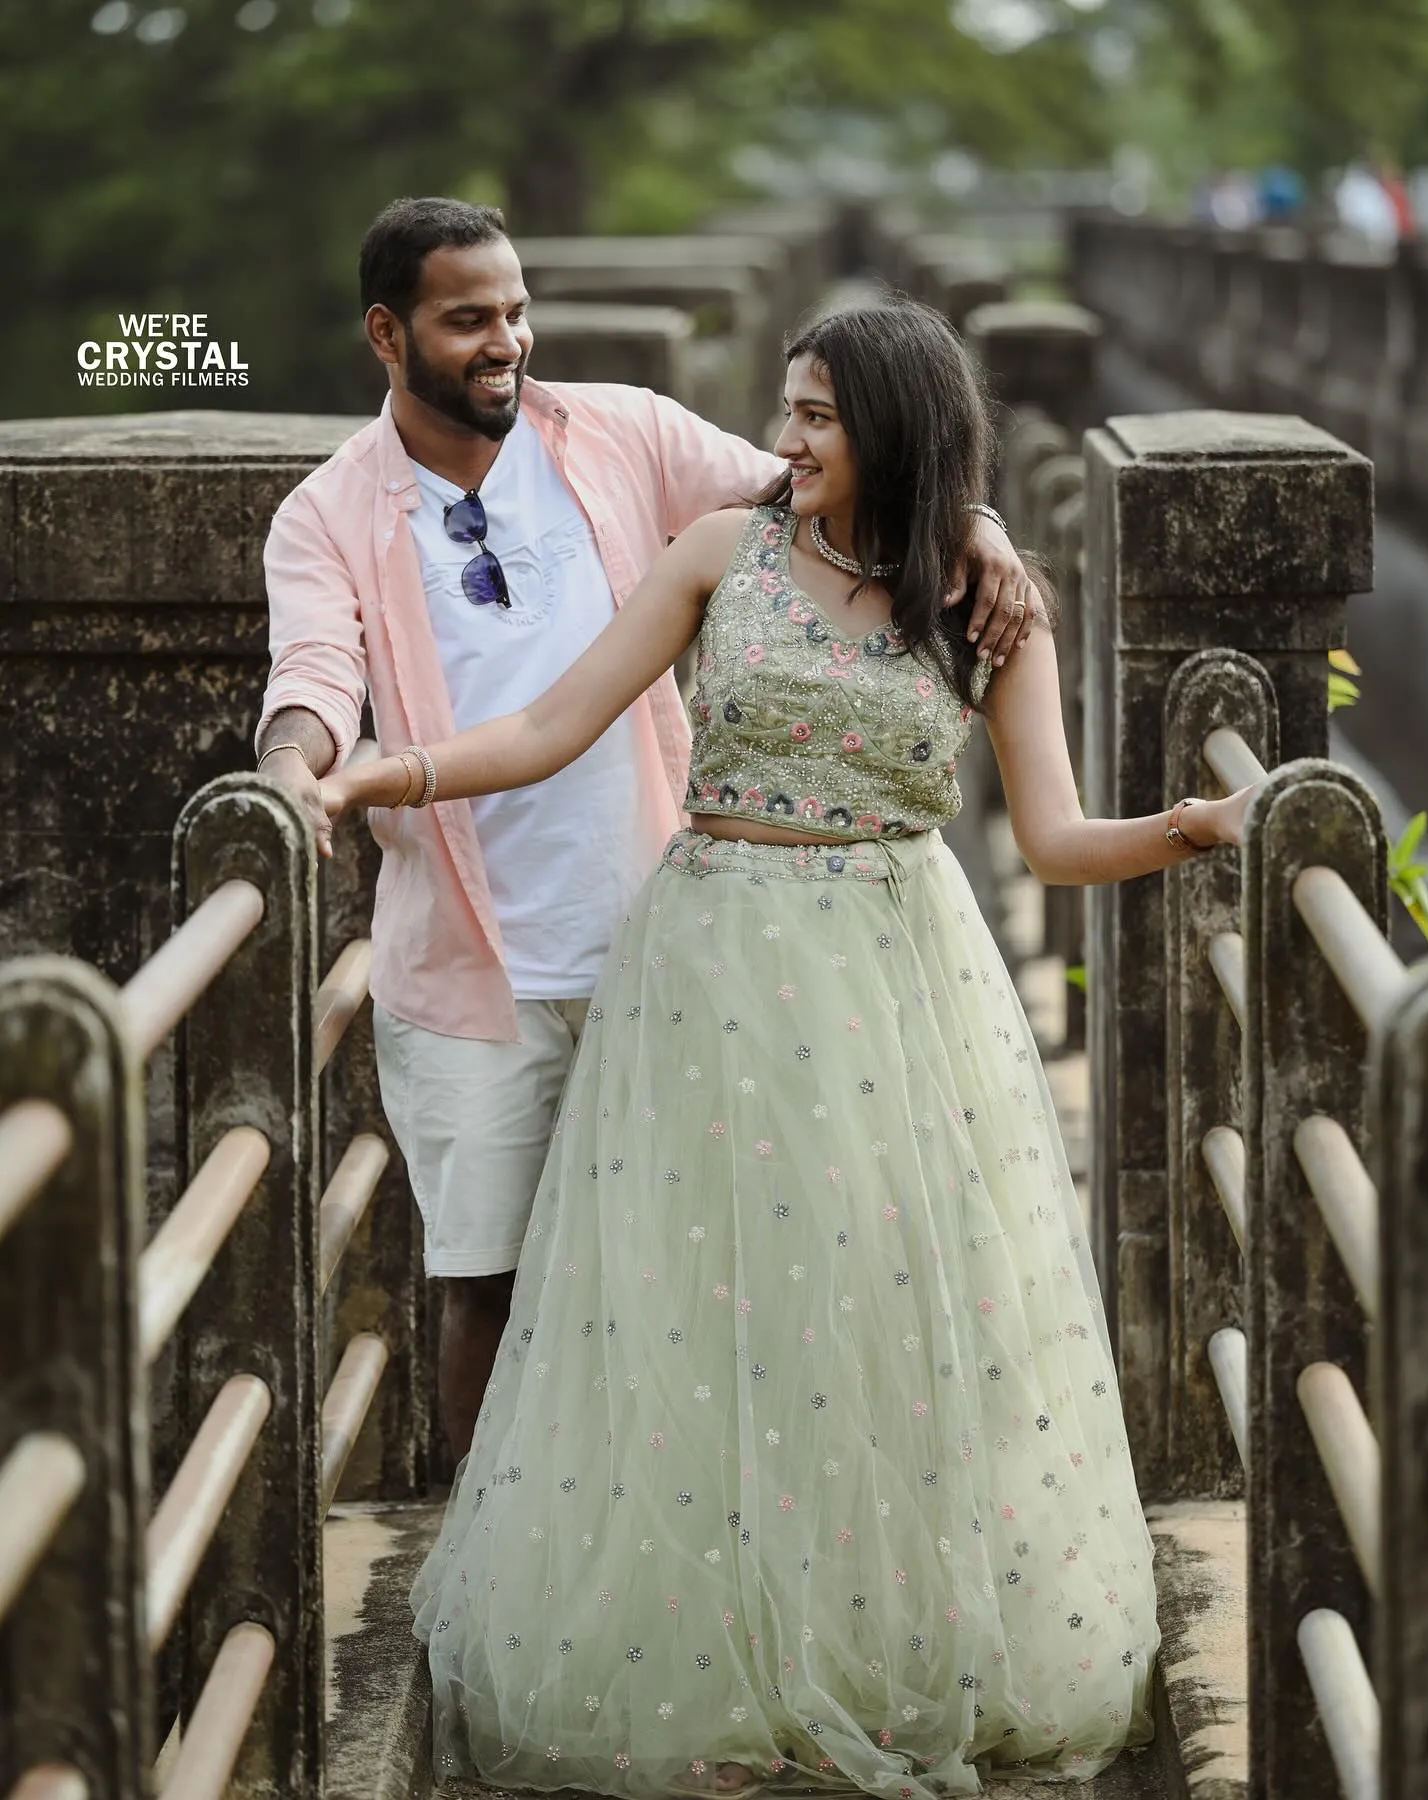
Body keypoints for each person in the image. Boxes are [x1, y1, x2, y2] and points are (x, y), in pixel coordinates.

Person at [321, 298, 1251, 1794]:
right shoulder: (721, 554)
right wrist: (393, 771)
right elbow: (557, 725)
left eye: (818, 413)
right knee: (711, 1307)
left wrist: (1192, 830)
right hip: (709, 972)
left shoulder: (983, 600)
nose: (790, 437)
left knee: (882, 1305)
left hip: (900, 978)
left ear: (892, 425)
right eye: (789, 408)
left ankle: (880, 1644)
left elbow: (1059, 840)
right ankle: (722, 1651)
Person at [254, 197, 1042, 1460]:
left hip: (671, 943)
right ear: (387, 335)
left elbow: (828, 487)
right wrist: (295, 770)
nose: (507, 340)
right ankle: (487, 1620)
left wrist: (978, 524)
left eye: (516, 311)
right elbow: (311, 673)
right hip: (471, 970)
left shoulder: (619, 431)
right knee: (489, 1291)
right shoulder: (328, 515)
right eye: (469, 321)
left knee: (693, 1285)